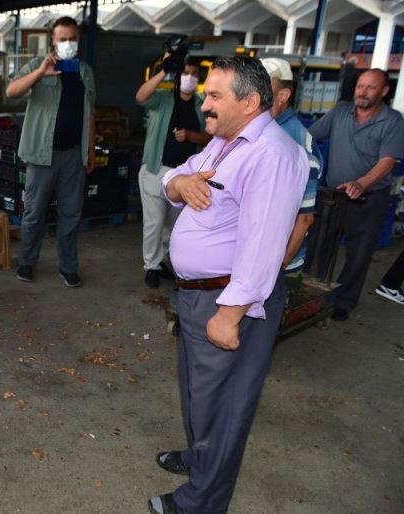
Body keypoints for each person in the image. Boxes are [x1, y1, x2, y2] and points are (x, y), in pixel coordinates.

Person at [149, 56, 308, 514]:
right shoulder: (224, 143)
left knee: (223, 406)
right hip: (197, 294)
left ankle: (202, 501)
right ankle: (200, 459)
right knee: (198, 394)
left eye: (215, 96)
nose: (205, 104)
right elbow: (170, 177)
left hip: (228, 302)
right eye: (206, 95)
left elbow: (264, 244)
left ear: (250, 102)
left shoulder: (272, 154)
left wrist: (231, 313)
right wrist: (181, 184)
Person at [5, 16, 96, 287]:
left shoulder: (85, 72)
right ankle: (26, 262)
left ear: (78, 39)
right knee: (34, 212)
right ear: (53, 40)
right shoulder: (38, 65)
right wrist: (39, 73)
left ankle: (68, 267)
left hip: (73, 155)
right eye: (62, 39)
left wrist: (90, 150)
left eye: (72, 38)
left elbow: (91, 113)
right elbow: (12, 91)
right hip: (41, 155)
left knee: (71, 214)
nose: (68, 43)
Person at [308, 69, 404, 321]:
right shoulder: (340, 111)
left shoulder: (392, 120)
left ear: (384, 91)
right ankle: (310, 296)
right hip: (333, 196)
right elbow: (309, 136)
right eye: (360, 86)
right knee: (318, 246)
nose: (362, 92)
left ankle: (343, 301)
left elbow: (387, 161)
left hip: (369, 199)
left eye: (371, 87)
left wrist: (361, 183)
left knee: (359, 254)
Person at [135, 54, 209, 288]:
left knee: (173, 226)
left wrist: (190, 136)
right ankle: (151, 265)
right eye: (185, 73)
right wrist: (163, 71)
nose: (189, 78)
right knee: (154, 223)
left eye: (194, 74)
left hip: (184, 177)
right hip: (156, 169)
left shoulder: (201, 106)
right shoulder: (163, 98)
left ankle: (162, 261)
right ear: (177, 76)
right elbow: (141, 97)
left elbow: (209, 137)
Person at [261, 57, 321, 273]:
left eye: (264, 89)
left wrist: (281, 264)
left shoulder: (296, 142)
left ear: (283, 95)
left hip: (275, 265)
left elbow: (304, 218)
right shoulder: (260, 128)